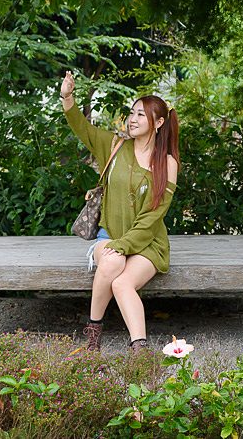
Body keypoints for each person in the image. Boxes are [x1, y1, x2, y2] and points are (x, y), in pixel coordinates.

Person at [60, 71, 180, 352]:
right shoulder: (114, 146)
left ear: (159, 122)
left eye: (141, 114)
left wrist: (126, 245)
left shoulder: (167, 163)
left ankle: (139, 351)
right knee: (112, 263)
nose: (133, 119)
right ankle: (93, 335)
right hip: (109, 234)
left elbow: (154, 216)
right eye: (132, 113)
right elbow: (82, 128)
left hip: (148, 243)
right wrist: (68, 96)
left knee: (123, 283)